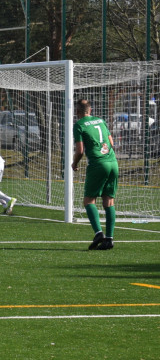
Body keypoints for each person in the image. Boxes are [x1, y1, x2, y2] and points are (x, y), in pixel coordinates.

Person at [72, 98, 119, 250]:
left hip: (98, 164)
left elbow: (80, 151)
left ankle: (99, 233)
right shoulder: (101, 121)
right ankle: (109, 239)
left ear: (77, 112)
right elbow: (111, 143)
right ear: (90, 110)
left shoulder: (79, 125)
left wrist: (75, 163)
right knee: (109, 202)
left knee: (89, 200)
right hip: (113, 163)